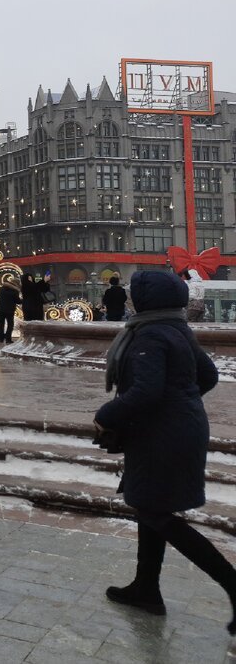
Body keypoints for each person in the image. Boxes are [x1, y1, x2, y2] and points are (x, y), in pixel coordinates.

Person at [94, 270, 236, 633]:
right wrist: (182, 403)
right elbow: (208, 377)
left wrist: (105, 415)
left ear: (146, 300)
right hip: (177, 430)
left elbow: (146, 391)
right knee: (151, 508)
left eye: (132, 295)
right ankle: (146, 588)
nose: (128, 300)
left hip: (163, 436)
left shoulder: (150, 334)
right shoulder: (176, 329)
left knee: (157, 514)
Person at [0, 275, 20, 343]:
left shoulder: (1, 289)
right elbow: (17, 301)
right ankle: (8, 339)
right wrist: (24, 300)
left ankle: (1, 338)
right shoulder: (15, 291)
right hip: (10, 310)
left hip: (0, 309)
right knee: (10, 324)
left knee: (1, 324)